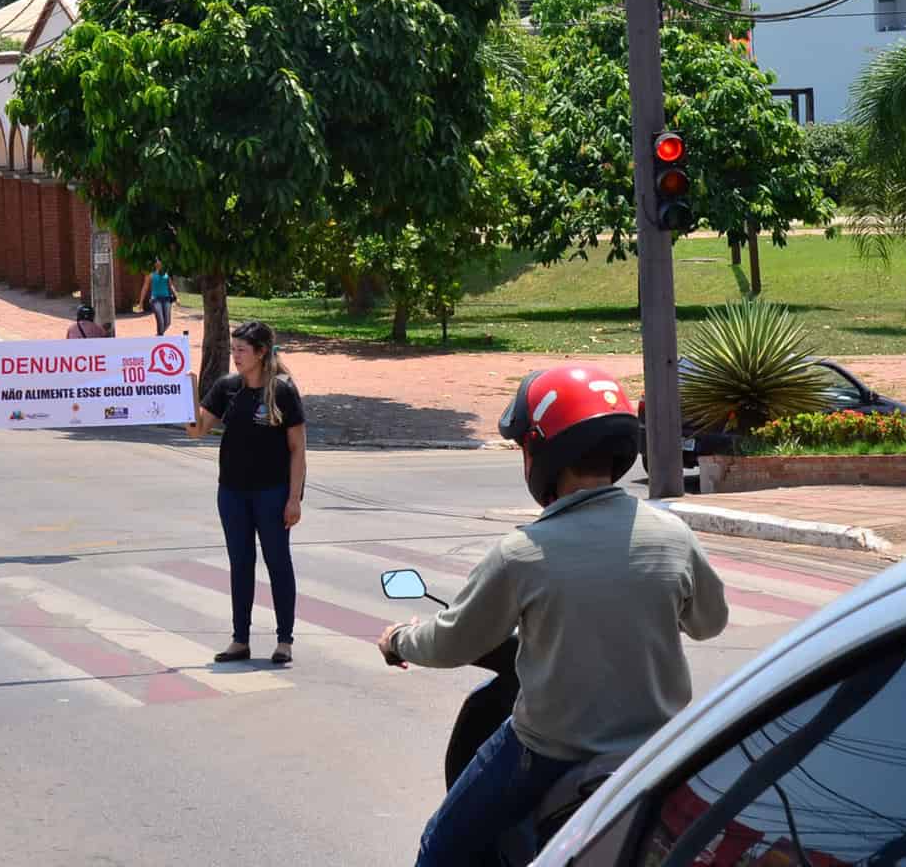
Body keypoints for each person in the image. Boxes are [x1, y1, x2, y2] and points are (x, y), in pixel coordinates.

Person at [376, 365, 729, 867]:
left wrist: (398, 640)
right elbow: (710, 622)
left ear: (541, 452)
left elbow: (452, 642)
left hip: (548, 752)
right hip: (656, 750)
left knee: (440, 845)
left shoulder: (523, 553)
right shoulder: (674, 536)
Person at [185, 320, 306, 666]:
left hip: (272, 493)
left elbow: (297, 449)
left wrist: (294, 498)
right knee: (240, 564)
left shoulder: (282, 391)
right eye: (233, 349)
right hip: (232, 493)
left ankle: (284, 641)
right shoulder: (227, 388)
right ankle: (240, 639)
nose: (235, 356)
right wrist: (187, 391)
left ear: (261, 352)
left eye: (241, 350)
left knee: (278, 562)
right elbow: (196, 430)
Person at [141, 258, 176, 336]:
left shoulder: (167, 273)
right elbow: (145, 288)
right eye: (157, 261)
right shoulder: (150, 274)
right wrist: (141, 302)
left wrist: (176, 296)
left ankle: (159, 335)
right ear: (155, 264)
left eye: (160, 261)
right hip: (155, 299)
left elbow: (171, 286)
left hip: (166, 299)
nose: (159, 262)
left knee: (167, 322)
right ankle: (160, 337)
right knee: (160, 320)